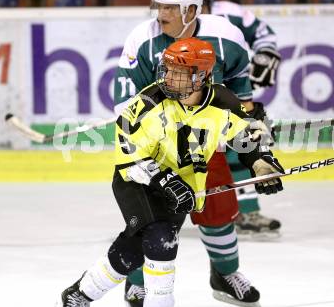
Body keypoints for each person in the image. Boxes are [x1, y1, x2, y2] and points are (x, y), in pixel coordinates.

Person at [56, 37, 285, 307]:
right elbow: (130, 154)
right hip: (138, 179)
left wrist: (260, 162)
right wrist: (165, 180)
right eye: (168, 70)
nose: (169, 77)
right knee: (161, 239)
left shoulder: (222, 100)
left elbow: (245, 139)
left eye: (179, 72)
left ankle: (80, 293)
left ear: (202, 76)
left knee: (132, 251)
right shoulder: (149, 102)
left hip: (183, 185)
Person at [113, 0, 278, 307]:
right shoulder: (141, 40)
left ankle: (224, 274)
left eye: (170, 7)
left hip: (202, 143)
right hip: (156, 150)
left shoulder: (228, 37)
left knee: (219, 212)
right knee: (149, 220)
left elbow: (240, 106)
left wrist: (258, 156)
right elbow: (127, 110)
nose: (161, 14)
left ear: (192, 9)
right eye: (158, 5)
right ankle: (137, 280)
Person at [185, 0, 282, 237]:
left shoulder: (231, 13)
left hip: (228, 96)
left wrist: (265, 53)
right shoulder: (172, 20)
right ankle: (155, 216)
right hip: (190, 102)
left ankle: (247, 212)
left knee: (241, 148)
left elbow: (264, 34)